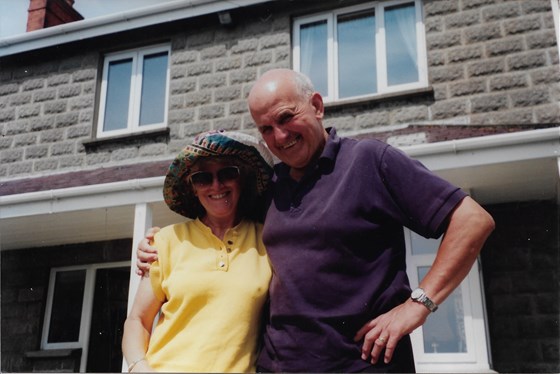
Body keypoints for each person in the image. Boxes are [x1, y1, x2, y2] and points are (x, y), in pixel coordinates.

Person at [137, 69, 495, 373]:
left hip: (362, 365)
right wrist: (155, 244)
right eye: (265, 129)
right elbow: (215, 224)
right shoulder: (269, 189)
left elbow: (472, 220)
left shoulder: (369, 161)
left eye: (286, 117)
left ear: (317, 106)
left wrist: (419, 305)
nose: (279, 136)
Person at [122, 130, 274, 372]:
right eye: (203, 178)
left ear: (241, 179)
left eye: (227, 173)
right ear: (192, 187)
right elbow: (138, 320)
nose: (216, 185)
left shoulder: (267, 239)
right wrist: (139, 367)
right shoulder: (166, 241)